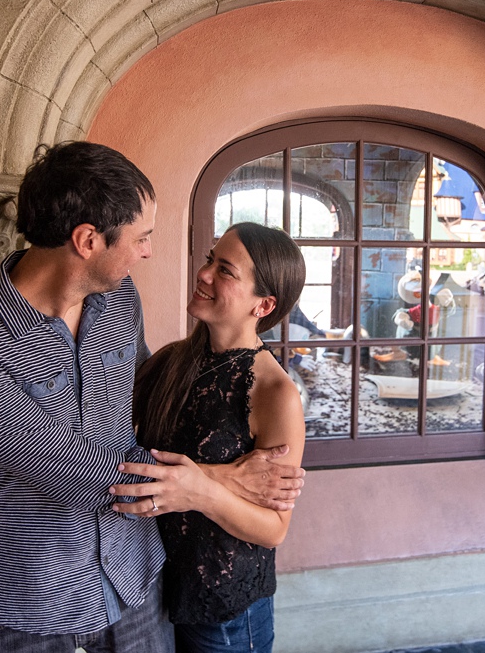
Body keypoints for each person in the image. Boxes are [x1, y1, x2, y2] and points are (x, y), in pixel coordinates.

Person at [0, 142, 304, 653]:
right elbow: (72, 467)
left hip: (138, 587)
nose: (148, 252)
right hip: (32, 609)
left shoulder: (120, 300)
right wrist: (217, 478)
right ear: (87, 240)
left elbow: (142, 407)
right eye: (141, 238)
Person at [109, 222, 307, 653]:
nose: (204, 274)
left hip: (226, 612)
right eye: (209, 260)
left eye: (225, 270)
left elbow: (273, 530)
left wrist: (200, 491)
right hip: (154, 590)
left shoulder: (275, 393)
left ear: (264, 304)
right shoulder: (170, 362)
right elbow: (98, 429)